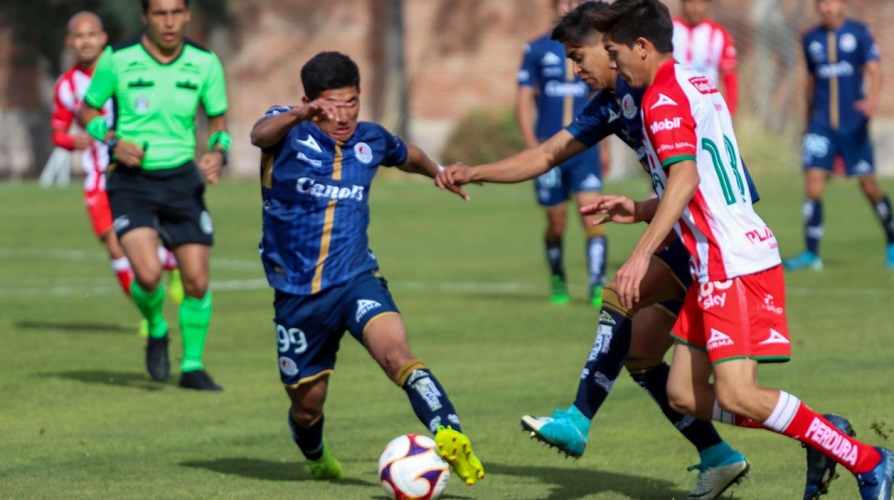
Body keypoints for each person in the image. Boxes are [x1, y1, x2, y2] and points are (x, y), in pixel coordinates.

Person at [437, 3, 754, 497]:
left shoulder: (664, 86)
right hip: (693, 233)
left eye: (579, 55)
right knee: (643, 357)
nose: (575, 68)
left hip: (716, 239)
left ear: (613, 46)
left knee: (623, 297)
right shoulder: (613, 100)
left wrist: (643, 241)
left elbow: (695, 176)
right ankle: (718, 454)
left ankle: (578, 420)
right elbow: (546, 154)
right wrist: (474, 171)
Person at [584, 1, 893, 498]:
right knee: (683, 393)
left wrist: (641, 253)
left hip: (728, 260)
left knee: (738, 393)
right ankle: (824, 433)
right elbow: (702, 176)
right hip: (725, 255)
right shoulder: (692, 81)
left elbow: (685, 176)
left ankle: (869, 460)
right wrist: (643, 209)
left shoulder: (660, 102)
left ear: (643, 46)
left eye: (615, 53)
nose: (612, 64)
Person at [249, 51, 485, 484]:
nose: (343, 115)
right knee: (307, 406)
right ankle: (317, 455)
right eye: (331, 104)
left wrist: (437, 171)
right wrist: (301, 114)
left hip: (356, 279)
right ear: (308, 101)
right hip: (298, 296)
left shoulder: (370, 140)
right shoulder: (285, 128)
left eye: (352, 101)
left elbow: (405, 152)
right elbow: (258, 135)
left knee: (398, 354)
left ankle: (449, 431)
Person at [79, 0, 228, 390]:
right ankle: (157, 327)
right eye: (160, 13)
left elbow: (218, 122)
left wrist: (218, 152)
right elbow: (88, 111)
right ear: (145, 16)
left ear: (187, 15)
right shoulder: (118, 59)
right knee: (147, 275)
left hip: (182, 180)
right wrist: (111, 140)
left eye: (176, 12)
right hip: (132, 181)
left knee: (195, 281)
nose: (169, 21)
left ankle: (192, 366)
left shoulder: (205, 63)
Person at [53, 11, 182, 337]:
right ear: (70, 42)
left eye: (91, 35)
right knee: (114, 246)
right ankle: (149, 313)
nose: (86, 41)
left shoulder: (124, 67)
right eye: (79, 36)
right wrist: (73, 140)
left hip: (135, 171)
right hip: (97, 177)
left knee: (142, 243)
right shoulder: (66, 86)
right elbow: (57, 131)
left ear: (103, 38)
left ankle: (173, 261)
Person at [784, 0, 894, 271]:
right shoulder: (811, 37)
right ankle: (811, 254)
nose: (828, 8)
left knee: (868, 185)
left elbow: (874, 69)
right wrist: (808, 119)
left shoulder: (859, 32)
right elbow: (810, 80)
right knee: (813, 182)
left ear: (843, 4)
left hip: (852, 123)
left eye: (833, 2)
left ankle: (892, 241)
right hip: (821, 125)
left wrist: (871, 100)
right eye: (823, 3)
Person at [517, 0, 611, 307]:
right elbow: (523, 98)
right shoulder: (536, 49)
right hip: (550, 148)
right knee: (557, 223)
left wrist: (605, 146)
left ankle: (597, 284)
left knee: (593, 215)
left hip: (585, 148)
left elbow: (603, 99)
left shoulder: (596, 46)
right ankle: (558, 276)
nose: (568, 7)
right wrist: (532, 144)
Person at [671, 0, 738, 116]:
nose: (696, 7)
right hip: (673, 104)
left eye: (701, 2)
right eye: (691, 2)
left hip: (707, 109)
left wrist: (729, 113)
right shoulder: (669, 30)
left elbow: (730, 78)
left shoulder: (720, 34)